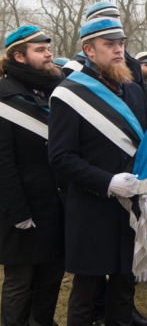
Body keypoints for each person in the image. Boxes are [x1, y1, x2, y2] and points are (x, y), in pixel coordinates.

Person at [48, 17, 147, 325]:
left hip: (129, 204)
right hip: (92, 205)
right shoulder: (69, 94)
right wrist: (107, 182)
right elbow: (61, 157)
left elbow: (142, 142)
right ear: (89, 50)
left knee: (123, 288)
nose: (119, 50)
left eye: (121, 43)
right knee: (86, 291)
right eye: (110, 45)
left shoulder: (132, 89)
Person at [0, 25, 65, 326]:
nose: (49, 53)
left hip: (55, 206)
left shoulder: (53, 91)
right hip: (21, 208)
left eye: (48, 48)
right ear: (19, 56)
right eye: (40, 50)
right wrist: (18, 211)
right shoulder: (4, 96)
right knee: (20, 282)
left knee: (51, 279)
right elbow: (3, 163)